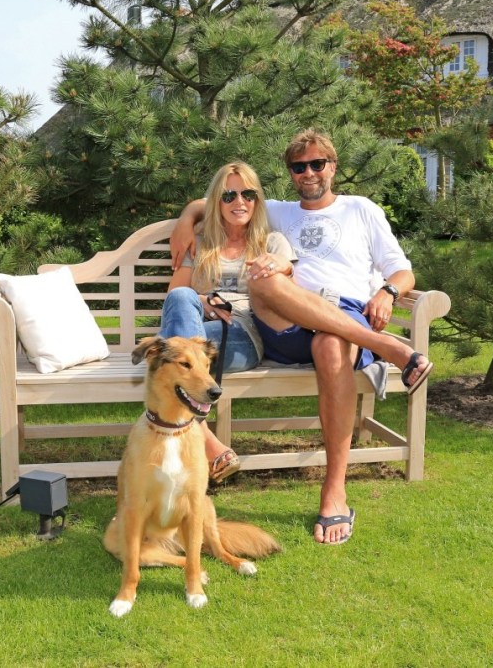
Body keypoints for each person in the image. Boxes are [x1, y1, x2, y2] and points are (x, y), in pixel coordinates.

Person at [171, 130, 433, 544]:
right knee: (264, 280)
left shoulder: (360, 209)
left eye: (317, 164)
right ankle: (389, 348)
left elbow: (402, 271)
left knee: (329, 341)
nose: (309, 173)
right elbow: (221, 197)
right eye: (299, 167)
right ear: (291, 173)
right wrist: (188, 220)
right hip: (279, 323)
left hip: (340, 314)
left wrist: (388, 291)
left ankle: (334, 492)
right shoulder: (276, 211)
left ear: (333, 165)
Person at [160, 161, 295, 483]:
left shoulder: (272, 242)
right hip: (197, 330)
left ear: (257, 200)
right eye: (229, 195)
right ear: (216, 201)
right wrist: (204, 301)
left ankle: (190, 450)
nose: (239, 202)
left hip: (242, 334)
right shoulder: (201, 241)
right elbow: (176, 295)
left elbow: (288, 291)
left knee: (166, 362)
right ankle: (210, 444)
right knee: (181, 300)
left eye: (248, 194)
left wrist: (283, 268)